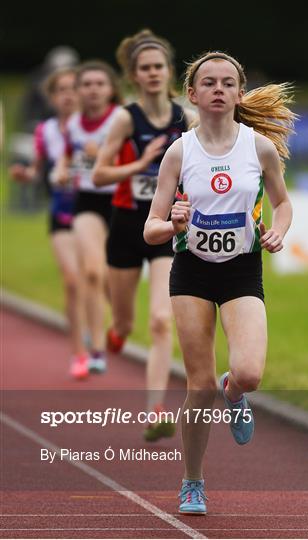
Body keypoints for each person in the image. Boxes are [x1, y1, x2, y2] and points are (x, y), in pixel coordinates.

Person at [144, 51, 296, 514]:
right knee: (199, 385)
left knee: (248, 373)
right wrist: (172, 222)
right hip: (190, 269)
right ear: (192, 94)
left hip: (240, 269)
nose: (218, 89)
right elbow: (150, 227)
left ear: (239, 92)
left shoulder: (258, 148)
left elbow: (283, 203)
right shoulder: (180, 151)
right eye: (208, 83)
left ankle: (235, 393)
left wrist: (278, 230)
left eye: (227, 83)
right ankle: (192, 481)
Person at [93, 29, 195, 441]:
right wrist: (140, 166)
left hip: (165, 228)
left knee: (158, 321)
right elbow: (100, 173)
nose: (153, 73)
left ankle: (155, 409)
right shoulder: (124, 118)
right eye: (145, 68)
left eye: (159, 66)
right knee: (126, 320)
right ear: (133, 75)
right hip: (126, 226)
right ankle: (115, 330)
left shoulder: (183, 117)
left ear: (170, 71)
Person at [9, 68, 89, 379]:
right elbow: (37, 171)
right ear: (52, 98)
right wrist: (24, 175)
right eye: (61, 91)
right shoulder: (46, 131)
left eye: (73, 89)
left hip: (97, 216)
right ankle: (78, 352)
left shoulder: (101, 128)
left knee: (96, 279)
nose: (68, 95)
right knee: (71, 280)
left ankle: (95, 329)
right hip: (62, 213)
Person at [55, 60, 123, 375]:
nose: (93, 90)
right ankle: (96, 349)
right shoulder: (73, 125)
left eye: (100, 84)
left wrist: (106, 158)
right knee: (92, 272)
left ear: (111, 89)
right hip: (87, 201)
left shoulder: (121, 119)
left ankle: (118, 323)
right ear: (79, 90)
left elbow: (141, 157)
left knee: (114, 278)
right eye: (87, 84)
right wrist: (61, 170)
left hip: (121, 201)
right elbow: (68, 154)